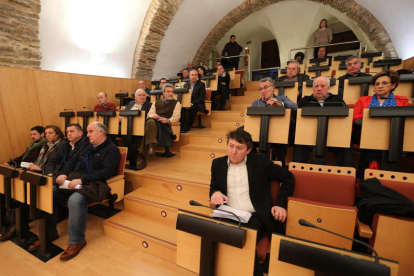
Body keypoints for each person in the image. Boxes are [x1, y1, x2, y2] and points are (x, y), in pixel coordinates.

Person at [210, 129, 295, 276]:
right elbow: (214, 188)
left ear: (248, 150)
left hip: (254, 215)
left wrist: (280, 203)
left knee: (241, 240)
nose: (233, 152)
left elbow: (288, 177)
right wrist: (215, 193)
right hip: (228, 214)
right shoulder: (217, 164)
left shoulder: (260, 162)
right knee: (208, 237)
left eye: (239, 148)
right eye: (230, 146)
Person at [46, 122, 120, 261]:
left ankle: (77, 241)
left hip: (95, 184)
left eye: (91, 131)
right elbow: (72, 162)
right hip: (76, 181)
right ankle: (49, 233)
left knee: (75, 200)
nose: (88, 135)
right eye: (87, 132)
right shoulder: (87, 147)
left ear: (101, 132)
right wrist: (64, 174)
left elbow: (106, 172)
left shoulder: (111, 149)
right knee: (48, 193)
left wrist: (82, 181)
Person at [0, 125, 64, 242]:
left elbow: (55, 164)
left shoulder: (61, 146)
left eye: (50, 133)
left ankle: (17, 226)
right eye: (46, 133)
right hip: (38, 172)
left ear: (58, 134)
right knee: (19, 192)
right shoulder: (45, 145)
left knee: (26, 193)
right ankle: (15, 225)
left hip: (47, 175)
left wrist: (39, 168)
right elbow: (26, 158)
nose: (47, 135)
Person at [353, 70, 409, 178]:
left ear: (393, 85)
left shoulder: (402, 100)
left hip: (392, 133)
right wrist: (370, 115)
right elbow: (354, 118)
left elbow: (405, 121)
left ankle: (365, 175)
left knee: (388, 140)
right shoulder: (363, 100)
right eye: (377, 84)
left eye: (384, 83)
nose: (380, 86)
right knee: (370, 139)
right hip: (365, 132)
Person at [293, 76, 354, 167]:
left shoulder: (337, 100)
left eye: (323, 86)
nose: (319, 89)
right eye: (316, 86)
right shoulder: (304, 101)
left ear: (328, 88)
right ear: (313, 88)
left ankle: (347, 174)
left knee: (346, 143)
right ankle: (296, 172)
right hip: (308, 137)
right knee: (298, 142)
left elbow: (346, 120)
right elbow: (297, 120)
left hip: (335, 136)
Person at [251, 77, 297, 166]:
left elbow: (295, 107)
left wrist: (280, 104)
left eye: (266, 87)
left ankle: (280, 166)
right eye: (261, 89)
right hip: (259, 134)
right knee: (247, 139)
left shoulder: (282, 98)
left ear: (273, 88)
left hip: (278, 135)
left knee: (280, 143)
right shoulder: (256, 103)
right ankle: (255, 165)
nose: (263, 91)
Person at [140, 84, 181, 157]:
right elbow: (149, 114)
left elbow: (176, 117)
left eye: (172, 92)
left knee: (149, 123)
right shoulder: (156, 103)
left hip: (166, 123)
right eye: (168, 92)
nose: (170, 94)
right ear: (164, 93)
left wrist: (167, 120)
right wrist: (154, 116)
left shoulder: (176, 103)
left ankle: (150, 147)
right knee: (150, 121)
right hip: (155, 122)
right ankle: (150, 147)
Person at [123, 89, 153, 169]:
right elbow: (126, 112)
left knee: (131, 135)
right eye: (140, 95)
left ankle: (132, 159)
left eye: (143, 95)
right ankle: (128, 154)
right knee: (115, 133)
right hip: (128, 125)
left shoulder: (149, 105)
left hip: (140, 126)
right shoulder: (131, 103)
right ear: (135, 97)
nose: (142, 97)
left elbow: (149, 117)